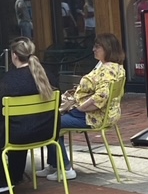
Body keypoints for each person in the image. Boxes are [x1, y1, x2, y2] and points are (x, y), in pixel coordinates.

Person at [37, 33, 125, 182]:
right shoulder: (116, 67)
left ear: (107, 48)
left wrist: (80, 107)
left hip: (94, 116)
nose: (93, 49)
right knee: (54, 120)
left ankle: (64, 167)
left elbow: (101, 97)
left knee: (51, 123)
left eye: (97, 47)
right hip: (104, 114)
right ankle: (54, 164)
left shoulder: (107, 70)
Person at [0, 37, 55, 194]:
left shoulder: (10, 79)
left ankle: (1, 180)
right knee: (17, 125)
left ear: (14, 56)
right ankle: (15, 176)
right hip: (45, 131)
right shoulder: (46, 75)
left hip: (17, 133)